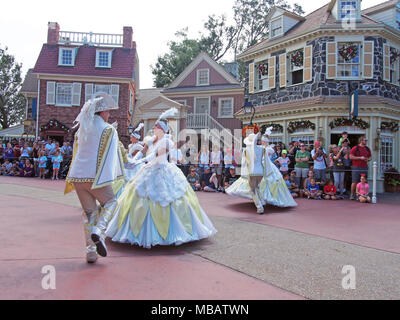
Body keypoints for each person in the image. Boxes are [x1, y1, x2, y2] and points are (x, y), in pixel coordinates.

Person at [105, 108, 217, 248]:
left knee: (168, 199)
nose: (153, 128)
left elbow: (156, 155)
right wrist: (131, 160)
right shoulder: (150, 140)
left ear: (162, 129)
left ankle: (171, 232)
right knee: (137, 196)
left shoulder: (167, 142)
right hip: (149, 170)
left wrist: (139, 162)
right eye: (154, 126)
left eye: (156, 126)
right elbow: (143, 151)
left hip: (163, 170)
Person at [65, 93, 126, 264]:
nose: (109, 115)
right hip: (95, 176)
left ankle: (90, 252)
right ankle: (100, 231)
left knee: (90, 213)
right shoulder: (108, 129)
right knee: (111, 202)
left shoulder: (82, 127)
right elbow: (113, 156)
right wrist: (117, 175)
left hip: (78, 176)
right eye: (107, 111)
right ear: (101, 112)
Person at [226, 131, 297, 214]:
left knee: (252, 190)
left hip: (251, 172)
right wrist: (268, 173)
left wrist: (244, 175)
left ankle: (259, 206)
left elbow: (244, 164)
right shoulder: (261, 149)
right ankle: (262, 201)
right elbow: (266, 162)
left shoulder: (246, 150)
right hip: (260, 172)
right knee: (258, 187)